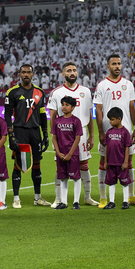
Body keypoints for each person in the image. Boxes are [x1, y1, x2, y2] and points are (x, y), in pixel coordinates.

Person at [94, 54, 135, 208]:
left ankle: (131, 196)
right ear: (108, 66)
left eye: (119, 63)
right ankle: (103, 197)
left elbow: (131, 107)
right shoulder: (102, 85)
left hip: (126, 131)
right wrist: (101, 132)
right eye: (114, 64)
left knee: (128, 162)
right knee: (104, 162)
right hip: (108, 131)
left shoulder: (128, 84)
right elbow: (99, 109)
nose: (117, 66)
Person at [47, 61, 98, 208]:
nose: (72, 73)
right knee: (61, 165)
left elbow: (89, 113)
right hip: (62, 133)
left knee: (84, 165)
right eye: (68, 70)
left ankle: (87, 196)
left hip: (81, 132)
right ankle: (58, 199)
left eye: (74, 70)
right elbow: (53, 115)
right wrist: (54, 135)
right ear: (63, 74)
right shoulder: (56, 93)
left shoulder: (86, 91)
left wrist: (91, 135)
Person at [5, 64, 50, 208]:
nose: (26, 75)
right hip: (20, 131)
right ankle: (16, 198)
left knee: (37, 163)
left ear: (33, 74)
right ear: (19, 74)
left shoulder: (39, 92)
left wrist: (45, 134)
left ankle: (38, 198)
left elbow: (43, 114)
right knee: (18, 164)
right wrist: (11, 135)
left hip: (35, 132)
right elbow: (7, 115)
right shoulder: (12, 92)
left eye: (28, 72)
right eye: (23, 72)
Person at [51, 96, 83, 210]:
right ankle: (63, 202)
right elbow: (54, 138)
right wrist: (58, 153)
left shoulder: (76, 121)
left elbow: (77, 138)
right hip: (61, 154)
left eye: (67, 105)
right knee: (63, 177)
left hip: (72, 154)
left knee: (75, 177)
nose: (64, 107)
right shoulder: (57, 121)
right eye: (63, 104)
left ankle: (76, 201)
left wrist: (70, 154)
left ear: (73, 107)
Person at [103, 107, 132, 210]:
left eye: (112, 119)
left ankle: (125, 201)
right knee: (111, 182)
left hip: (121, 163)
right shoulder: (109, 132)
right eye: (110, 119)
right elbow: (106, 147)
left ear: (119, 119)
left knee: (124, 182)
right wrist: (105, 161)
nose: (110, 121)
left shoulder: (125, 132)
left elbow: (127, 147)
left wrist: (125, 162)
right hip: (111, 162)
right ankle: (111, 201)